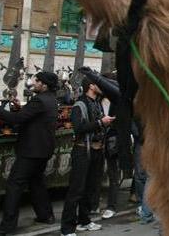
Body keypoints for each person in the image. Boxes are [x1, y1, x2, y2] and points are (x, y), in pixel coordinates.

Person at [0, 72, 59, 236]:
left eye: (37, 80)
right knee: (36, 182)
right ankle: (46, 215)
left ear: (44, 85)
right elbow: (31, 116)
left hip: (31, 151)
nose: (34, 83)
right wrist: (21, 108)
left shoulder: (39, 100)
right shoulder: (51, 98)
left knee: (14, 185)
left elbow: (16, 120)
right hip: (43, 150)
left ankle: (7, 226)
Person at [59, 75, 114, 236]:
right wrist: (100, 123)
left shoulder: (97, 102)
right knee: (76, 190)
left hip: (97, 151)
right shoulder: (80, 104)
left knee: (90, 189)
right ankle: (67, 228)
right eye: (99, 84)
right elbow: (78, 127)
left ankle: (84, 221)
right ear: (91, 86)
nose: (102, 87)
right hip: (83, 150)